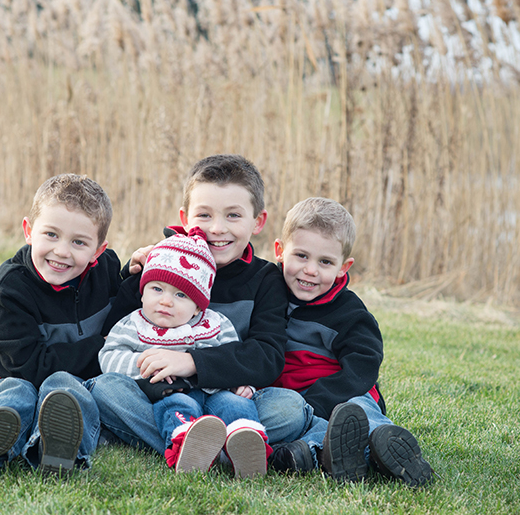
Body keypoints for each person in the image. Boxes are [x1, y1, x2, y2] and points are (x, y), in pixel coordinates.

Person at [90, 154, 307, 463]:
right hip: (164, 395)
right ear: (185, 216)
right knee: (105, 388)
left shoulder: (265, 279)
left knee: (289, 408)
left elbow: (267, 356)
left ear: (258, 221)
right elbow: (116, 328)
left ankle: (193, 442)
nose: (217, 228)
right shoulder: (165, 261)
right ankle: (210, 446)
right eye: (204, 215)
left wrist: (190, 362)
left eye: (233, 216)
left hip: (231, 397)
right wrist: (131, 275)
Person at [0, 173, 123, 477]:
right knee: (17, 393)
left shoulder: (108, 270)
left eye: (79, 242)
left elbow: (130, 316)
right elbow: (27, 365)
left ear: (98, 251)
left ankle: (59, 450)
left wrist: (143, 272)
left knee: (67, 390)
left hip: (70, 390)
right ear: (28, 230)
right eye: (51, 234)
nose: (62, 251)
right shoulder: (9, 290)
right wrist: (101, 348)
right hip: (14, 377)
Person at [268, 197, 434, 487]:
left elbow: (363, 364)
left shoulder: (349, 311)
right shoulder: (268, 294)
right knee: (313, 423)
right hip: (297, 399)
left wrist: (323, 398)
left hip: (344, 390)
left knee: (357, 412)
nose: (310, 270)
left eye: (325, 262)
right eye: (301, 256)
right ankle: (323, 454)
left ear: (344, 267)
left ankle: (389, 446)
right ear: (280, 251)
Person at [99, 227, 271, 478]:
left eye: (180, 294)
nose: (166, 301)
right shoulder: (133, 323)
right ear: (143, 291)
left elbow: (235, 356)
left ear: (197, 306)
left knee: (235, 404)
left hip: (216, 390)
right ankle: (188, 444)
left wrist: (244, 384)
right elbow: (109, 355)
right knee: (177, 405)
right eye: (156, 289)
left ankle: (245, 443)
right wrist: (142, 362)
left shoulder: (215, 323)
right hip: (170, 390)